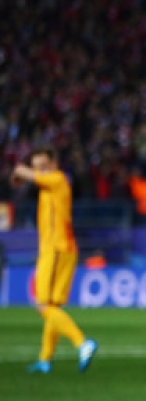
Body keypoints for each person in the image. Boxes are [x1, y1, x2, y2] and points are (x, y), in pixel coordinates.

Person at [10, 148, 98, 374]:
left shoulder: (58, 179)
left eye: (44, 166)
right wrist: (22, 177)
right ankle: (45, 359)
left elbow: (22, 172)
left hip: (56, 249)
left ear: (54, 164)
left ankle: (82, 342)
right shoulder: (47, 185)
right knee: (53, 307)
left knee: (42, 305)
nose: (40, 170)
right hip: (64, 248)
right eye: (38, 166)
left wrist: (21, 171)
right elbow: (22, 180)